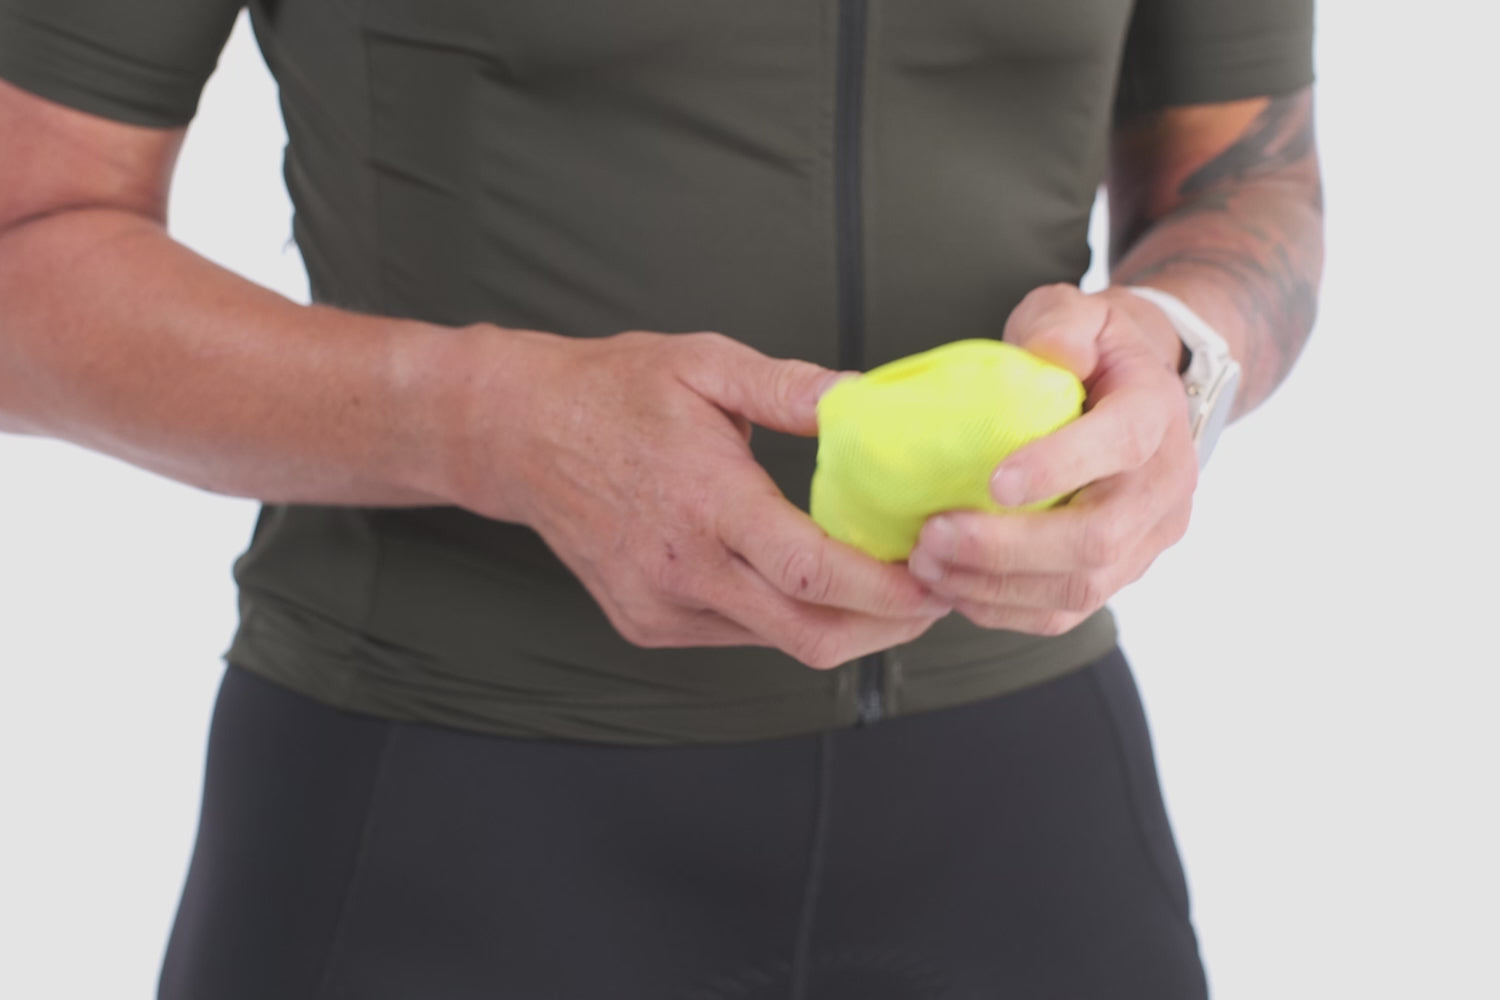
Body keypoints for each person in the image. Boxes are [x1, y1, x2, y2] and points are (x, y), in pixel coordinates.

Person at [0, 0, 1323, 996]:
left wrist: (1183, 353)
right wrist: (491, 421)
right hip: (446, 803)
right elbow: (26, 240)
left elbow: (1250, 174)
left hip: (1023, 812)